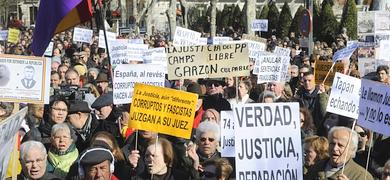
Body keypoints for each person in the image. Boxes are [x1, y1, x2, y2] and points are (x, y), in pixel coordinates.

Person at [304, 126, 374, 180]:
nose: (335, 148)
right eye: (332, 144)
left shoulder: (362, 176)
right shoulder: (316, 168)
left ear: (352, 149)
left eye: (340, 145)